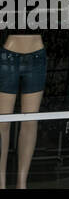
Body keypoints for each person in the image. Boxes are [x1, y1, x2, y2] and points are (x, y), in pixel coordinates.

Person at [0, 27, 46, 189]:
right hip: (8, 53)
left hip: (37, 54)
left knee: (30, 121)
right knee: (3, 123)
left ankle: (22, 183)